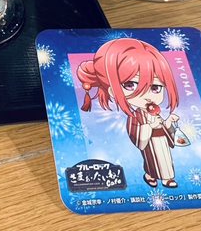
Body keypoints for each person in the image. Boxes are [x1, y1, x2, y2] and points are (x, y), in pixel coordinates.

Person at [76, 38, 181, 189]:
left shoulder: (155, 112)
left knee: (166, 159)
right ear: (112, 91)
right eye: (130, 85)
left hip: (162, 141)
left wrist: (169, 122)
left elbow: (164, 128)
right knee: (152, 160)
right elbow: (139, 140)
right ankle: (150, 175)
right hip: (149, 144)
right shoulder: (135, 116)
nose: (147, 95)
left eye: (155, 87)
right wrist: (148, 127)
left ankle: (167, 178)